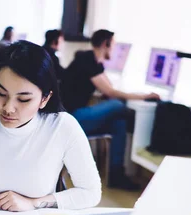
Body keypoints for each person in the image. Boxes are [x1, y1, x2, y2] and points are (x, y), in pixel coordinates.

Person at [0, 41, 102, 215]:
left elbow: (91, 193)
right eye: (0, 93)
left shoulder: (63, 127)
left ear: (44, 99)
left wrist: (34, 203)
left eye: (23, 99)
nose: (8, 108)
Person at [61, 29, 160, 190]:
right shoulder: (87, 60)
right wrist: (144, 96)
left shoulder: (94, 61)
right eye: (113, 46)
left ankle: (116, 176)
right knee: (118, 105)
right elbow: (110, 92)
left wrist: (137, 95)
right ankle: (138, 126)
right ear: (105, 44)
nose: (114, 50)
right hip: (72, 117)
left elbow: (108, 87)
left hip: (78, 116)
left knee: (118, 124)